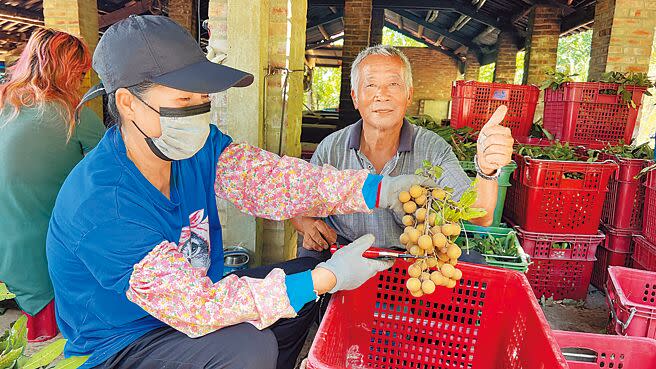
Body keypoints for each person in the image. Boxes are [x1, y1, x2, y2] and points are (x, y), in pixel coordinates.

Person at [45, 16, 431, 369]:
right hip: (125, 342)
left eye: (202, 99)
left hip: (188, 309)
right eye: (184, 99)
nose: (198, 112)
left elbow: (271, 180)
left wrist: (379, 189)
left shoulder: (193, 148)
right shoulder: (101, 204)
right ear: (128, 103)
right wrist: (328, 278)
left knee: (298, 277)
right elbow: (196, 306)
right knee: (249, 346)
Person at [292, 45, 514, 260]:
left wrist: (487, 170)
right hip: (342, 256)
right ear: (355, 97)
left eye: (393, 84)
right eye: (370, 85)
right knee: (303, 273)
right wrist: (307, 224)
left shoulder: (432, 148)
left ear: (409, 95)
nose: (382, 94)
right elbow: (298, 206)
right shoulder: (331, 148)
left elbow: (481, 215)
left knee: (473, 264)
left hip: (411, 259)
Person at [0, 29, 105, 318]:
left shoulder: (5, 105)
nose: (83, 82)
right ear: (65, 71)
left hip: (8, 256)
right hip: (48, 264)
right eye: (81, 74)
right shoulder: (74, 114)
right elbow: (114, 171)